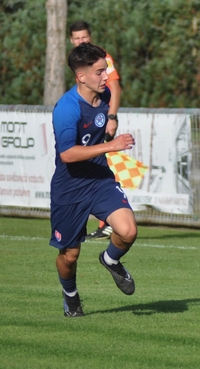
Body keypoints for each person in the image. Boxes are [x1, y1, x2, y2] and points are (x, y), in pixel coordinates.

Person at [50, 42, 138, 317]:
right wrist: (111, 146)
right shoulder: (66, 109)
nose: (106, 77)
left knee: (128, 231)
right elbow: (67, 154)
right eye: (100, 72)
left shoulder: (106, 94)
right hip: (70, 186)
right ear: (81, 76)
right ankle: (71, 297)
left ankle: (110, 260)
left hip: (99, 179)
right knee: (70, 255)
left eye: (105, 70)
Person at [69, 20, 122, 239]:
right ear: (71, 40)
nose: (81, 41)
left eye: (84, 37)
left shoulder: (102, 57)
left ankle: (108, 219)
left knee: (98, 162)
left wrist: (111, 116)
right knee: (83, 163)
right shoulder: (77, 61)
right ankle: (95, 219)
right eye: (77, 38)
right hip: (87, 117)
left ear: (90, 37)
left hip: (102, 117)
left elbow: (115, 86)